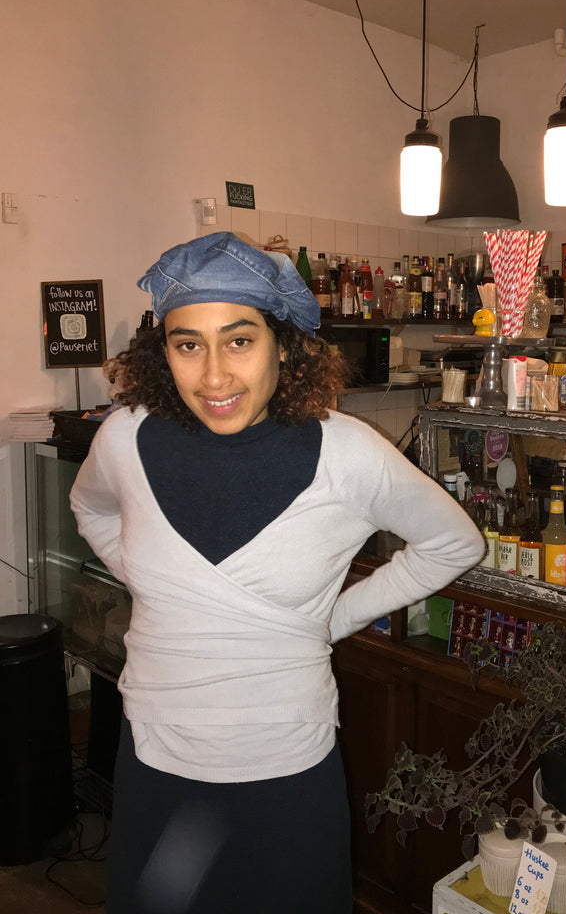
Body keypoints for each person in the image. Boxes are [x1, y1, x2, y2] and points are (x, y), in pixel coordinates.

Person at [70, 231, 485, 914]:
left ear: (283, 344)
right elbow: (90, 508)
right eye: (187, 344)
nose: (214, 376)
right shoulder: (126, 437)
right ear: (162, 352)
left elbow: (453, 542)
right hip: (155, 760)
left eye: (239, 340)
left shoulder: (347, 454)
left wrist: (331, 619)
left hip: (287, 774)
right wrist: (155, 585)